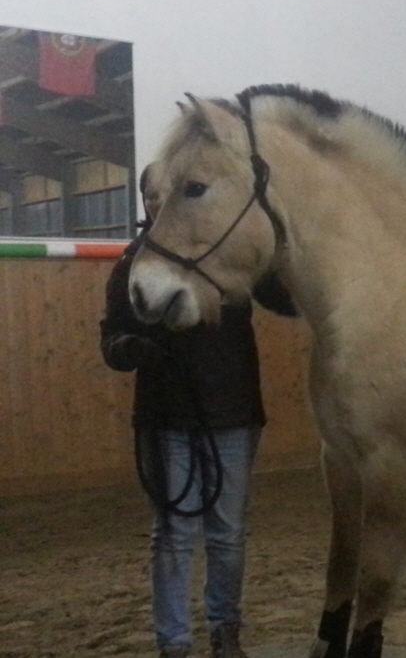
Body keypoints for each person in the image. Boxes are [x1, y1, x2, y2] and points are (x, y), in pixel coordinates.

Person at [100, 168, 265, 658]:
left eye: (166, 194)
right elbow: (109, 337)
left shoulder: (226, 255)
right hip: (166, 414)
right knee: (173, 534)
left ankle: (224, 630)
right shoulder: (131, 264)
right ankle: (173, 643)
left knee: (227, 533)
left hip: (230, 409)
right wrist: (128, 347)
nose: (157, 202)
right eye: (150, 195)